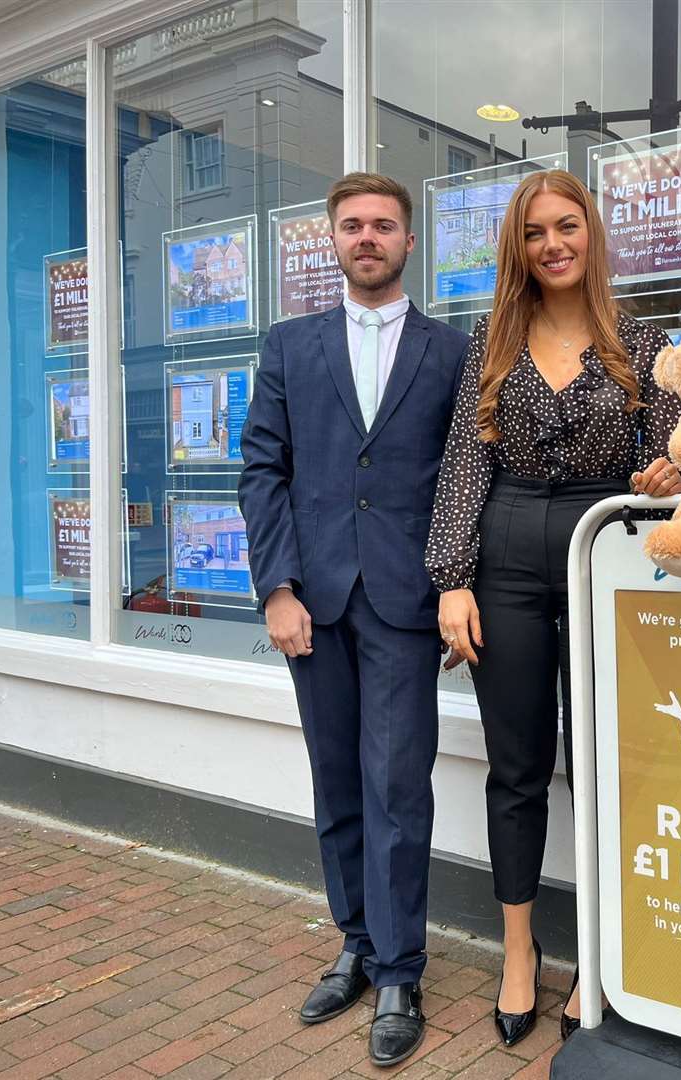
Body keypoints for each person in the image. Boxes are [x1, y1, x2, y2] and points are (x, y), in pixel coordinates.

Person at [424, 169, 681, 1046]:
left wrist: (670, 475)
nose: (553, 245)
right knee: (518, 766)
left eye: (566, 227)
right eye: (535, 233)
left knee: (608, 765)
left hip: (607, 544)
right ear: (519, 248)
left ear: (592, 234)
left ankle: (598, 957)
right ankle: (519, 951)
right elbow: (464, 461)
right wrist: (452, 579)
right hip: (505, 554)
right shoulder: (491, 344)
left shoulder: (644, 343)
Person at [238, 172, 469, 1069]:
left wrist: (456, 583)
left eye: (382, 225)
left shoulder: (451, 351)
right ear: (332, 241)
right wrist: (276, 589)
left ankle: (402, 969)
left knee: (399, 787)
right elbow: (263, 469)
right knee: (337, 782)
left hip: (407, 602)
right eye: (351, 225)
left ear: (409, 243)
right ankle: (357, 946)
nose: (367, 237)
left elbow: (461, 482)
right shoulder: (290, 344)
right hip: (315, 598)